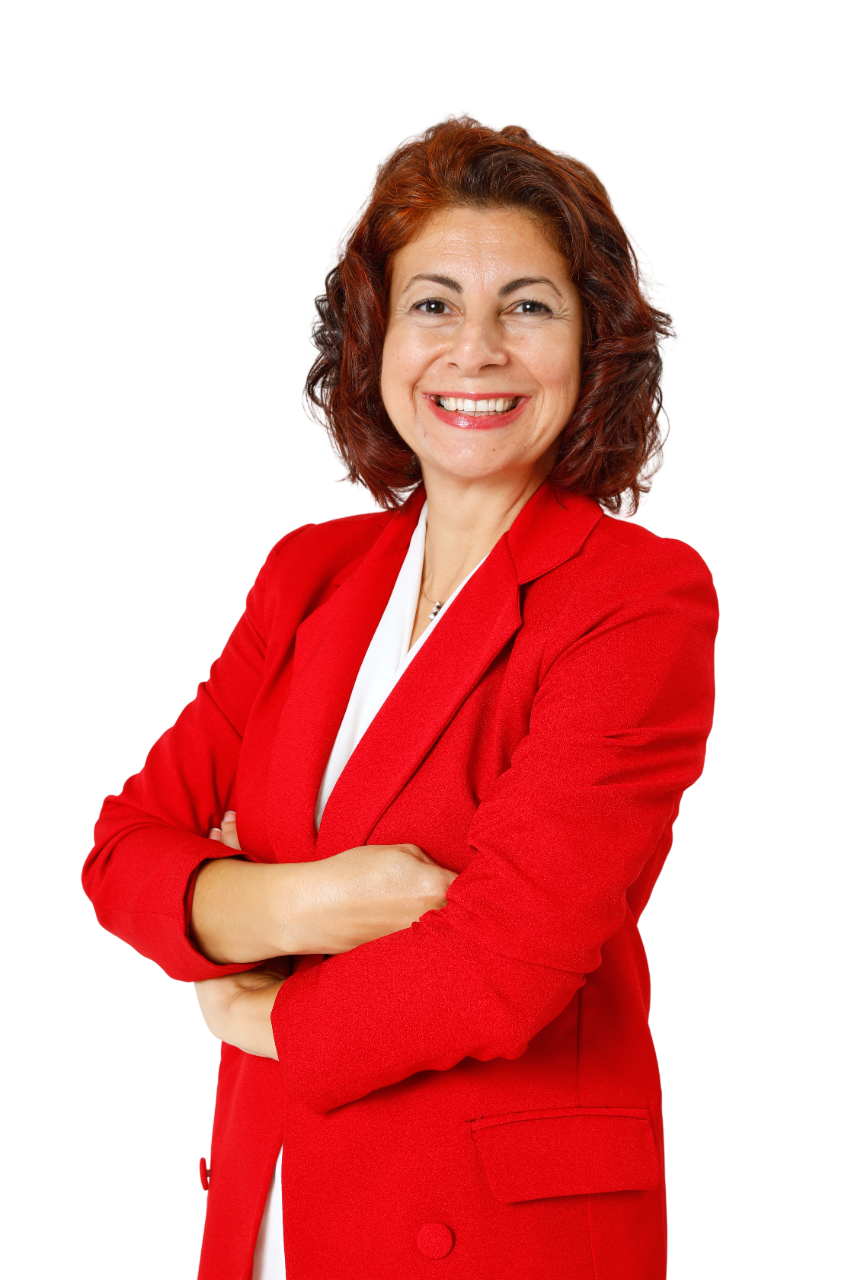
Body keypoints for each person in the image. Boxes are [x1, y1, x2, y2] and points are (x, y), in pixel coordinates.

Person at [81, 111, 719, 1279]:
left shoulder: (636, 595)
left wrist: (258, 1006)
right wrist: (334, 898)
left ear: (594, 343)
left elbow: (506, 959)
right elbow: (124, 851)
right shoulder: (308, 572)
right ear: (376, 337)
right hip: (270, 1211)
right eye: (433, 303)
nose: (474, 350)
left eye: (526, 306)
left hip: (492, 1237)